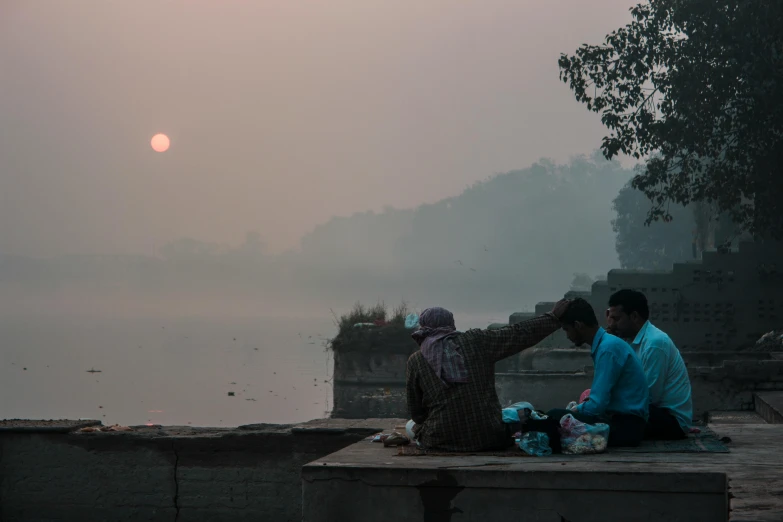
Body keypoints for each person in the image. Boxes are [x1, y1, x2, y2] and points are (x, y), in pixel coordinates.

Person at [405, 300, 571, 452]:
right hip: (490, 438)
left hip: (440, 440)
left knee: (410, 425)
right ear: (452, 324)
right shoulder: (477, 341)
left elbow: (417, 414)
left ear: (424, 328)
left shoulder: (416, 361)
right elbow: (518, 334)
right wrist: (553, 317)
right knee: (522, 407)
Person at [524, 298, 649, 451]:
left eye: (566, 329)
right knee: (558, 417)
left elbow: (597, 405)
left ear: (578, 325)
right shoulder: (607, 344)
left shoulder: (607, 349)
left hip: (626, 428)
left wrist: (574, 411)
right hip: (625, 422)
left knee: (555, 415)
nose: (567, 335)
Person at [607, 289, 692, 440]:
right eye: (610, 319)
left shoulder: (655, 343)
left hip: (670, 420)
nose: (612, 325)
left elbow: (650, 396)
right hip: (648, 410)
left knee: (608, 421)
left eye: (616, 319)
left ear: (634, 316)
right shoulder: (628, 341)